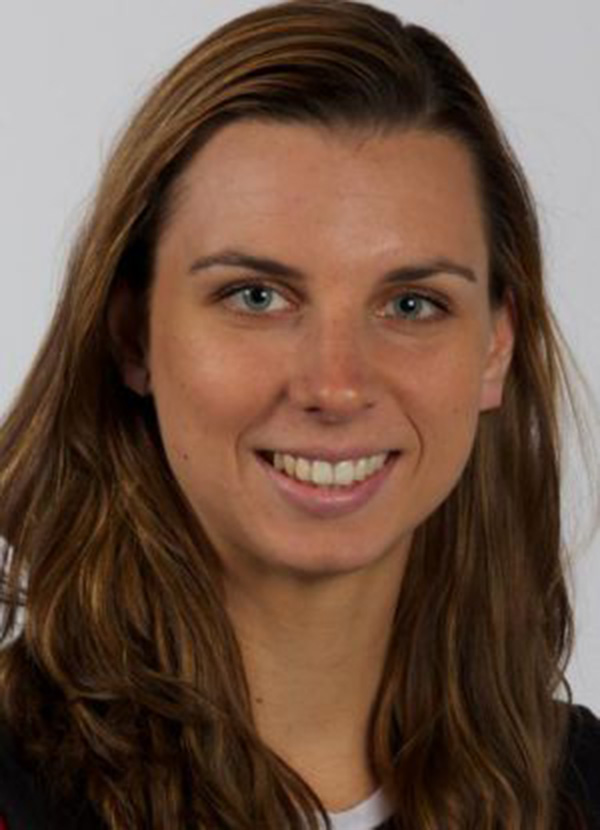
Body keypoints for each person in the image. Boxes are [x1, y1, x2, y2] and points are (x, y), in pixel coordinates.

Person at [0, 0, 599, 827]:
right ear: (134, 335)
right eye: (257, 296)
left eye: (412, 304)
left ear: (495, 348)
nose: (336, 386)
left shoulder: (581, 789)